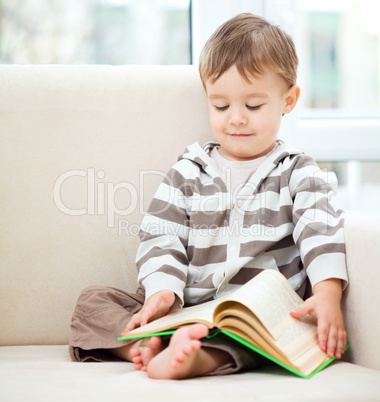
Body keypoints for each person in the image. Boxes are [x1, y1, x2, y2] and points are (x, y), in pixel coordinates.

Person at [69, 13, 348, 380]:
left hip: (256, 317)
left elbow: (321, 229)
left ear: (288, 100)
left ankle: (193, 358)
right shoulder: (188, 171)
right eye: (221, 106)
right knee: (92, 303)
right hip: (188, 308)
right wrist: (163, 292)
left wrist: (327, 295)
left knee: (263, 337)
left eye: (253, 106)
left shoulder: (297, 170)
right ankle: (144, 343)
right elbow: (161, 235)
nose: (236, 119)